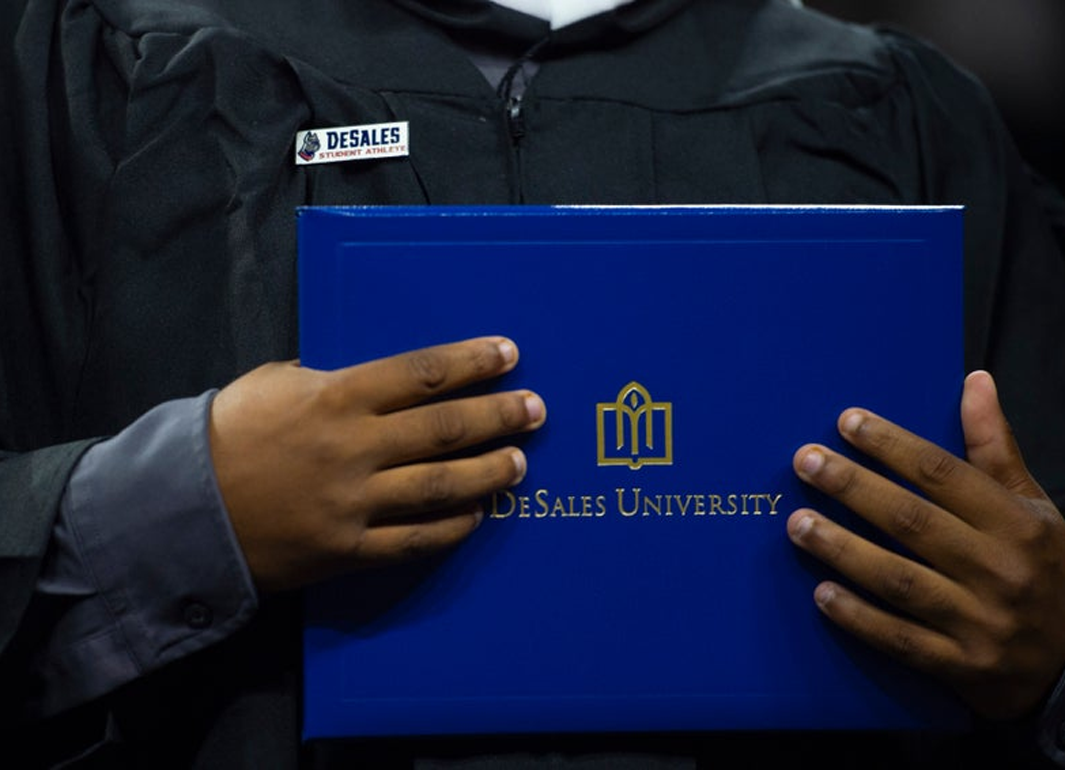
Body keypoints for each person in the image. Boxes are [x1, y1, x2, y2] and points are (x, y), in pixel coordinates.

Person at [1, 0, 1064, 767]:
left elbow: (1031, 567)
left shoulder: (898, 119)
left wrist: (1044, 660)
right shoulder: (86, 70)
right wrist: (183, 505)